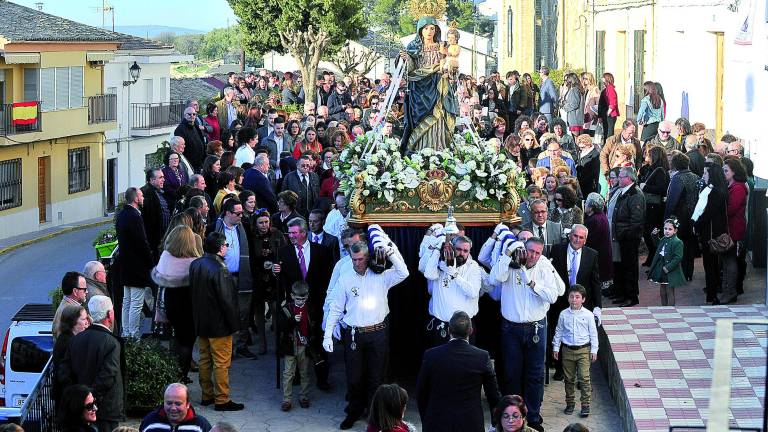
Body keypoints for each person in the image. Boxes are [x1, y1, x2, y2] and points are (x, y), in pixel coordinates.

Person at [323, 240, 409, 430]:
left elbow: (404, 272)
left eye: (360, 259)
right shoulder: (345, 278)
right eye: (353, 259)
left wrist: (389, 250)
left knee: (376, 378)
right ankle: (354, 411)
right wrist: (327, 334)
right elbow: (336, 308)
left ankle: (375, 416)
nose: (356, 263)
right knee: (354, 377)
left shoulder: (381, 276)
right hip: (354, 334)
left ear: (368, 258)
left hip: (377, 332)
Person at [488, 238, 565, 431]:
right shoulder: (509, 266)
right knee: (512, 374)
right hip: (511, 328)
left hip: (536, 327)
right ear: (523, 249)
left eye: (537, 253)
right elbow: (492, 279)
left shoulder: (544, 268)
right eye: (530, 251)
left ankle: (532, 417)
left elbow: (554, 296)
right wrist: (507, 255)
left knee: (535, 375)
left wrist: (532, 284)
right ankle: (511, 418)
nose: (532, 256)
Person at [274, 217, 334, 391]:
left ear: (303, 232)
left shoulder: (321, 251)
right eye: (289, 232)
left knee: (318, 340)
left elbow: (327, 277)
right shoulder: (283, 252)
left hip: (316, 304)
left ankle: (322, 378)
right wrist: (275, 272)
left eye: (293, 232)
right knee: (296, 340)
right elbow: (282, 281)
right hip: (294, 305)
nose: (290, 235)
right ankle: (297, 377)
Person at [416, 311, 501, 432]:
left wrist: (427, 419)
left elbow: (421, 393)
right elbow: (493, 395)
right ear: (471, 331)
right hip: (471, 423)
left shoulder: (431, 355)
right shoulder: (482, 356)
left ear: (449, 330)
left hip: (437, 422)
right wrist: (495, 423)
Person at [189, 232, 244, 411]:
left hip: (201, 322)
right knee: (221, 362)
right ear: (221, 248)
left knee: (205, 360)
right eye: (226, 244)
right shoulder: (220, 268)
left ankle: (207, 395)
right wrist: (235, 325)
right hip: (219, 324)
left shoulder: (196, 264)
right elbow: (227, 300)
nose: (227, 247)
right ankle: (222, 399)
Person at [58, 296, 124, 432]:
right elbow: (108, 376)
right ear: (109, 315)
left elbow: (64, 372)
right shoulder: (111, 343)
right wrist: (90, 400)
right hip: (107, 410)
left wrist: (81, 399)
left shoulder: (76, 340)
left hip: (80, 410)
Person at [549, 225, 601, 380]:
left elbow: (595, 282)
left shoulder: (592, 255)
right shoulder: (557, 250)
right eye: (575, 236)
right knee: (560, 333)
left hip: (582, 303)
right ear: (570, 236)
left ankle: (581, 375)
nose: (577, 240)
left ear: (585, 240)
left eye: (581, 237)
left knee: (581, 337)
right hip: (560, 301)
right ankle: (560, 369)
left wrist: (598, 307)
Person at [151, 226, 202, 383]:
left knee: (177, 339)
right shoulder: (194, 262)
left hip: (171, 303)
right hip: (189, 306)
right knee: (187, 342)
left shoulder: (166, 258)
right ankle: (182, 375)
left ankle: (174, 374)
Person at [399, 16, 458, 152]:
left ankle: (439, 149)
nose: (429, 31)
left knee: (438, 119)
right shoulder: (414, 49)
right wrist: (406, 59)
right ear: (420, 31)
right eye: (426, 28)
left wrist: (451, 67)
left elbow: (452, 70)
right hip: (420, 92)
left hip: (439, 89)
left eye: (432, 28)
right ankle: (420, 151)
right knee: (420, 122)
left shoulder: (442, 47)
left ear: (436, 30)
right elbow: (410, 72)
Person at [212, 198, 255, 359]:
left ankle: (241, 345)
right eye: (238, 213)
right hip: (224, 277)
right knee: (224, 312)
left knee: (243, 313)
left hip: (242, 276)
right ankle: (226, 349)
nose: (241, 216)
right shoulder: (214, 229)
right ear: (228, 213)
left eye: (242, 213)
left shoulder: (244, 228)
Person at [421, 234, 482, 347]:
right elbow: (429, 274)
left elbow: (473, 292)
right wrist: (438, 249)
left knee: (464, 363)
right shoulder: (440, 264)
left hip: (465, 328)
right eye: (458, 249)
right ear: (451, 248)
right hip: (442, 326)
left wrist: (453, 273)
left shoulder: (473, 267)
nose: (462, 253)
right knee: (440, 362)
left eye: (465, 251)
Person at [552, 285, 599, 418]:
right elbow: (559, 331)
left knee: (584, 378)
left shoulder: (589, 315)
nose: (574, 300)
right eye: (572, 297)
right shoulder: (563, 314)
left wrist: (594, 350)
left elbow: (593, 334)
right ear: (568, 298)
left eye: (577, 297)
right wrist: (556, 347)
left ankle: (585, 405)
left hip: (583, 350)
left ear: (583, 299)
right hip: (567, 350)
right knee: (568, 379)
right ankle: (570, 403)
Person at [115, 187, 154, 339]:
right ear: (136, 199)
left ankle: (126, 333)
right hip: (137, 266)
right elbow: (142, 243)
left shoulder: (122, 214)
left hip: (125, 264)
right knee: (136, 302)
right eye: (141, 195)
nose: (143, 198)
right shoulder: (135, 216)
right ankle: (133, 335)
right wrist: (150, 263)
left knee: (127, 301)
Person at [692, 162, 728, 303]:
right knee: (711, 264)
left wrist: (696, 223)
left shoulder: (715, 192)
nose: (703, 175)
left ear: (712, 174)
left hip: (711, 234)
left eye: (705, 173)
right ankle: (712, 290)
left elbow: (707, 213)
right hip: (710, 232)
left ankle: (712, 294)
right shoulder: (714, 189)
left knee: (711, 264)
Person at [609, 167, 645, 307]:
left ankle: (631, 296)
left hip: (628, 238)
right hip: (620, 236)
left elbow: (637, 220)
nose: (619, 179)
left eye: (622, 176)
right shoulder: (623, 192)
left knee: (629, 268)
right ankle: (622, 294)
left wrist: (627, 235)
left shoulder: (635, 194)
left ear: (629, 178)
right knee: (621, 267)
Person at [277, 281, 314, 411]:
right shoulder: (286, 309)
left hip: (304, 346)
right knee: (288, 374)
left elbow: (313, 328)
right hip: (290, 347)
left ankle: (303, 396)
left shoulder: (310, 309)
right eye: (298, 299)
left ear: (307, 296)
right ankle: (287, 399)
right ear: (292, 296)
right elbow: (280, 328)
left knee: (304, 372)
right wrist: (292, 320)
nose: (300, 301)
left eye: (303, 299)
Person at [663, 152, 700, 280]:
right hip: (693, 217)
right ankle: (688, 272)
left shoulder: (677, 179)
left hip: (680, 218)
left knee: (678, 247)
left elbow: (672, 201)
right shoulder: (695, 177)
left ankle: (681, 273)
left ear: (674, 165)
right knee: (689, 246)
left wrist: (666, 220)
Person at [720, 158, 748, 304]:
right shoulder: (732, 185)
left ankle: (730, 292)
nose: (723, 173)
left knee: (730, 260)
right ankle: (727, 290)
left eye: (726, 171)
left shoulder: (737, 188)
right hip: (729, 227)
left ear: (734, 172)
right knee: (726, 260)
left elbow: (731, 209)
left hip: (734, 228)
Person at [638, 146, 670, 266]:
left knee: (651, 233)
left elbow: (662, 189)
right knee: (648, 233)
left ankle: (655, 259)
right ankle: (652, 257)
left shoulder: (660, 170)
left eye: (649, 155)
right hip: (650, 205)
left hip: (654, 207)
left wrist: (645, 187)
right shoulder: (651, 169)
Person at [53, 305, 89, 402]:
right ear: (73, 322)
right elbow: (65, 373)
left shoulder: (69, 338)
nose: (87, 323)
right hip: (67, 397)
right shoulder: (68, 342)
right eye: (84, 319)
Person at [139, 383, 211, 432]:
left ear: (188, 404)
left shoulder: (201, 426)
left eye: (178, 404)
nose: (173, 408)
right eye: (169, 403)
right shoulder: (150, 422)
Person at [648, 218, 686, 306]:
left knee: (670, 291)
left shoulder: (678, 242)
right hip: (661, 268)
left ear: (675, 230)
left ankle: (671, 310)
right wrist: (654, 236)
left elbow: (678, 257)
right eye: (665, 229)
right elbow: (658, 245)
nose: (667, 231)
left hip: (670, 270)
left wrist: (668, 267)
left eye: (670, 229)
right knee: (662, 291)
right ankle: (663, 308)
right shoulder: (664, 239)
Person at [141, 168, 171, 262]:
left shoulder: (158, 192)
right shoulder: (147, 193)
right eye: (160, 177)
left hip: (160, 238)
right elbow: (149, 220)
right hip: (154, 241)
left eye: (163, 177)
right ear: (152, 180)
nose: (163, 179)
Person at [583, 193, 613, 288]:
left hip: (599, 257)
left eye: (586, 203)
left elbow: (589, 240)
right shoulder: (599, 216)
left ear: (591, 207)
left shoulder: (595, 220)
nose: (584, 205)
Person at [53, 272, 88, 339]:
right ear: (75, 291)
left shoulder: (67, 308)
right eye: (84, 289)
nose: (87, 292)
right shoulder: (68, 312)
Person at [175, 107, 207, 173]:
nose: (192, 116)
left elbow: (202, 142)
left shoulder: (196, 126)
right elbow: (180, 150)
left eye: (194, 114)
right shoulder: (180, 130)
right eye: (189, 114)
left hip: (200, 164)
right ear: (184, 115)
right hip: (190, 165)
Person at [597, 72, 619, 141]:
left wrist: (608, 112)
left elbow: (613, 102)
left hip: (610, 115)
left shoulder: (610, 88)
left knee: (609, 133)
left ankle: (609, 146)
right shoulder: (606, 89)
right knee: (606, 132)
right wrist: (600, 116)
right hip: (605, 114)